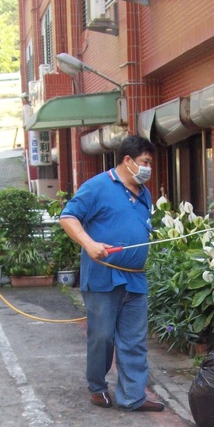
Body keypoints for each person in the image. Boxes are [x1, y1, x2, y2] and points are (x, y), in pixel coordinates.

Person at [58, 135, 164, 412]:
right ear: (127, 160)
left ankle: (133, 397)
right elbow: (68, 217)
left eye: (150, 163)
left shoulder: (144, 192)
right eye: (145, 162)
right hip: (103, 276)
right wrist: (90, 244)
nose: (148, 169)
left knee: (134, 340)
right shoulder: (96, 187)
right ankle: (97, 386)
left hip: (135, 277)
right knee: (102, 338)